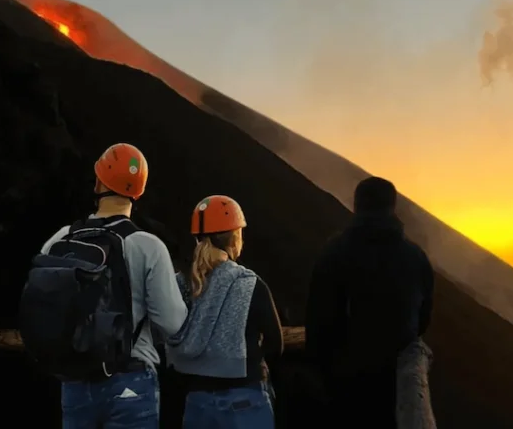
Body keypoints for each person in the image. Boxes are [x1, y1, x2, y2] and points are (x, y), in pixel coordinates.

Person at [21, 143, 188, 429]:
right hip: (130, 379)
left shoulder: (60, 238)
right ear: (138, 191)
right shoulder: (148, 246)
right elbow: (172, 323)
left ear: (99, 182)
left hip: (74, 381)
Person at [304, 176, 434, 427]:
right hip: (396, 384)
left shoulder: (334, 253)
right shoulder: (415, 257)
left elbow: (318, 320)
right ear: (392, 207)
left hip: (344, 384)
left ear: (356, 206)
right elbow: (423, 319)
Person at [166, 195, 284, 429]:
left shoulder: (180, 283)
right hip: (244, 400)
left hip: (196, 402)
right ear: (234, 238)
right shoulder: (248, 282)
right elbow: (275, 343)